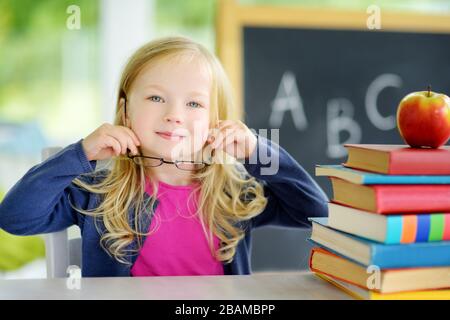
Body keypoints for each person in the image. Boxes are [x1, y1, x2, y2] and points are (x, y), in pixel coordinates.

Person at [0, 36, 328, 277]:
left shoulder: (233, 193)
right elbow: (15, 217)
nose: (174, 115)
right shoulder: (97, 191)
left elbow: (316, 212)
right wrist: (80, 154)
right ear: (125, 112)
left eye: (194, 103)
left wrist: (259, 151)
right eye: (156, 97)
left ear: (218, 121)